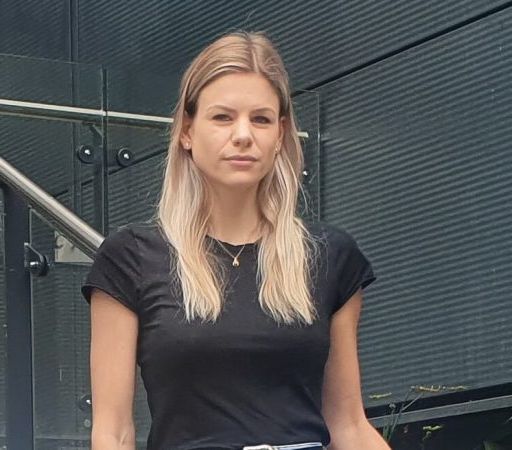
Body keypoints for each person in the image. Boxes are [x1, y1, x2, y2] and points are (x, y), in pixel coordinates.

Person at [82, 31, 389, 450]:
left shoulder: (328, 257)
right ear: (187, 131)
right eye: (223, 117)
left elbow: (349, 425)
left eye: (261, 119)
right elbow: (113, 434)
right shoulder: (131, 258)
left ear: (280, 135)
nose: (243, 135)